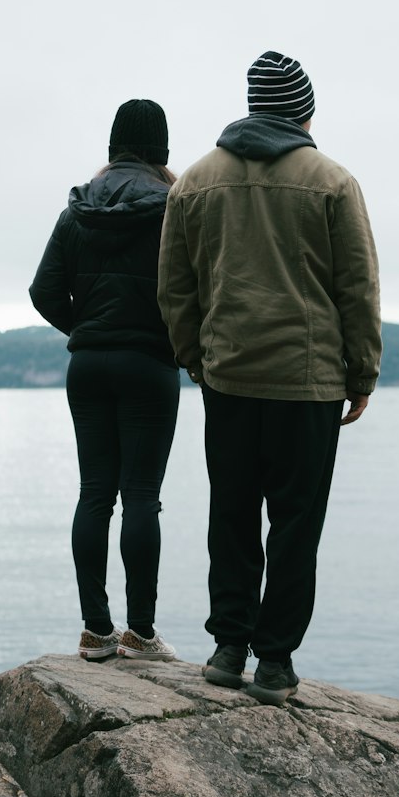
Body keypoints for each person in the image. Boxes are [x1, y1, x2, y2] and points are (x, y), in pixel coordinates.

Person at [157, 51, 381, 704]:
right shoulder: (333, 181)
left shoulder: (195, 181)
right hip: (308, 383)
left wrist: (195, 357)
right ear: (304, 110)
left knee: (231, 515)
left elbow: (174, 286)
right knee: (294, 524)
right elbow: (357, 287)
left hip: (227, 377)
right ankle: (275, 662)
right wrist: (362, 372)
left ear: (253, 106)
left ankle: (228, 648)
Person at [30, 99, 179, 663]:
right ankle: (139, 634)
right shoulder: (173, 209)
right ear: (160, 150)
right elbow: (194, 288)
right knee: (141, 496)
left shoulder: (76, 211)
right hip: (150, 366)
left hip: (87, 367)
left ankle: (96, 631)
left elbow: (43, 292)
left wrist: (88, 331)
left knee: (95, 494)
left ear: (113, 145)